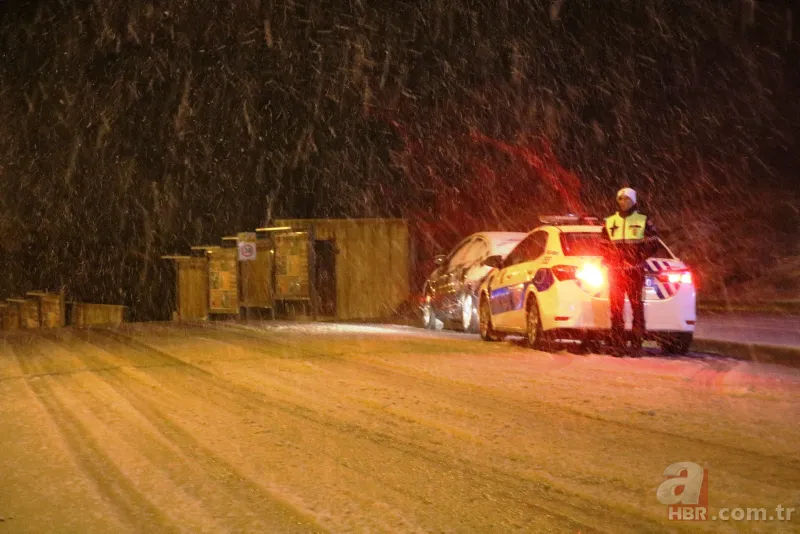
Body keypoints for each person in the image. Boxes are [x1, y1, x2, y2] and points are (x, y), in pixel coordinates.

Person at [601, 187, 659, 356]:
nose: (623, 202)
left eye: (627, 199)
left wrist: (637, 258)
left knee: (636, 308)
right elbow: (603, 245)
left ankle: (636, 344)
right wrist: (611, 260)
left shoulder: (643, 220)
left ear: (634, 201)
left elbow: (653, 243)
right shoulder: (610, 221)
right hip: (616, 272)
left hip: (635, 271)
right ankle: (617, 344)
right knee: (616, 309)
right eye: (620, 199)